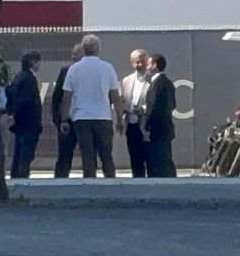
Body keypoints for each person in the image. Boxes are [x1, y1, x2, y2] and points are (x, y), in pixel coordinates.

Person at [59, 34, 124, 178]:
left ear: (84, 48)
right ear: (98, 48)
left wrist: (64, 119)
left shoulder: (74, 69)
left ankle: (89, 184)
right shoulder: (107, 68)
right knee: (106, 154)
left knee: (87, 155)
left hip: (81, 117)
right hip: (102, 116)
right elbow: (115, 96)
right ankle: (111, 185)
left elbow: (67, 97)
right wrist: (119, 118)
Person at [6, 51, 43, 179]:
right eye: (38, 62)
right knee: (26, 154)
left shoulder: (18, 77)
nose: (39, 65)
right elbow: (27, 101)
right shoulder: (29, 79)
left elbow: (10, 95)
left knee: (19, 152)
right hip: (29, 122)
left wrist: (12, 114)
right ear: (33, 62)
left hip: (20, 123)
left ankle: (15, 177)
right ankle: (22, 178)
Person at [50, 43, 84, 178]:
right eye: (74, 56)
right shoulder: (66, 71)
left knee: (89, 154)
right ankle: (60, 180)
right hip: (68, 119)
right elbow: (57, 96)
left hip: (84, 118)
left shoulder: (91, 71)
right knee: (64, 154)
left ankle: (90, 181)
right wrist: (58, 119)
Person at [142, 53, 177, 178]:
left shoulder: (158, 83)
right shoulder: (167, 83)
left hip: (158, 130)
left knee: (158, 161)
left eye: (149, 64)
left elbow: (154, 108)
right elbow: (172, 105)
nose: (146, 67)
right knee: (165, 159)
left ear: (155, 65)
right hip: (166, 128)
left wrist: (147, 127)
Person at [120, 49, 151, 178]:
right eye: (137, 62)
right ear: (132, 63)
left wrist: (143, 109)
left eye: (142, 62)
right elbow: (122, 100)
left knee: (149, 158)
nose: (140, 65)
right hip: (131, 126)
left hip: (147, 126)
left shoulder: (153, 80)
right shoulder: (126, 81)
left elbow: (156, 102)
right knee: (134, 158)